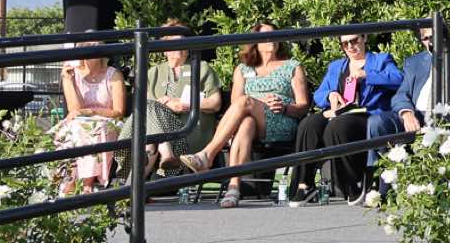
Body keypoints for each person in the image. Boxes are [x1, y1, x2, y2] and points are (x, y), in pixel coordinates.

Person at [183, 23, 310, 208]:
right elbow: (236, 103)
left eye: (275, 35)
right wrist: (256, 104)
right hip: (251, 119)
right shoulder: (243, 69)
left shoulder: (292, 66)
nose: (272, 39)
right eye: (266, 36)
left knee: (246, 102)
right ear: (255, 42)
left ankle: (207, 155)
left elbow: (303, 105)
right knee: (246, 123)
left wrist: (284, 107)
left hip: (281, 119)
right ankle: (234, 189)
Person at [294, 32, 402, 204]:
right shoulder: (336, 66)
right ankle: (304, 184)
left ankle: (353, 184)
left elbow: (399, 79)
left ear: (364, 38)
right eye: (345, 44)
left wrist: (367, 75)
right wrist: (330, 95)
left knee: (338, 126)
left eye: (354, 41)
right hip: (340, 112)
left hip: (367, 113)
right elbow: (319, 94)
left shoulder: (381, 60)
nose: (350, 47)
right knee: (309, 124)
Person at [121, 20, 223, 173]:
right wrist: (165, 106)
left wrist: (184, 103)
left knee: (149, 137)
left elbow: (215, 103)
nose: (179, 46)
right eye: (174, 42)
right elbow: (145, 107)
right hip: (157, 134)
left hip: (190, 132)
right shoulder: (153, 73)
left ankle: (135, 183)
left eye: (182, 41)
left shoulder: (202, 68)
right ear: (165, 50)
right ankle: (164, 155)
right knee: (149, 117)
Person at [54, 50, 129, 194]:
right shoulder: (73, 74)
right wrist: (68, 81)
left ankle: (86, 184)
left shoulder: (113, 75)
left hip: (107, 121)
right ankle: (69, 179)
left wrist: (92, 112)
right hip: (80, 121)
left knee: (90, 130)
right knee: (69, 130)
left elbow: (119, 112)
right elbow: (75, 110)